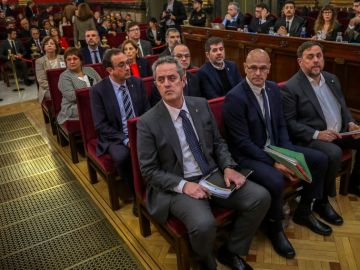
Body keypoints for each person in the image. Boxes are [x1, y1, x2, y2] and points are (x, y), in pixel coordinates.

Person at [137, 56, 270, 270]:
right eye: (160, 80)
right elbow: (149, 171)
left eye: (172, 78)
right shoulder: (147, 122)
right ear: (155, 85)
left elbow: (218, 142)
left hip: (211, 173)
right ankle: (205, 260)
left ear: (183, 80)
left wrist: (228, 166)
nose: (167, 83)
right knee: (204, 224)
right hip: (177, 185)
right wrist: (184, 186)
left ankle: (231, 251)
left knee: (260, 197)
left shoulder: (200, 105)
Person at [223, 49, 332, 259]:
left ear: (269, 69)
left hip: (275, 147)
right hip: (249, 156)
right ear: (245, 68)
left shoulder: (273, 89)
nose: (258, 72)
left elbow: (281, 124)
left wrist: (288, 153)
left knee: (320, 159)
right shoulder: (234, 98)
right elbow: (242, 143)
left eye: (263, 68)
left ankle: (304, 211)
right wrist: (275, 163)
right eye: (253, 67)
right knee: (274, 179)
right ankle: (275, 228)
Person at [281, 41, 360, 197]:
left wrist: (351, 123)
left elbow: (343, 107)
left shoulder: (332, 79)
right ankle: (323, 197)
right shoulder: (291, 87)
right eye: (310, 57)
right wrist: (318, 134)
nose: (316, 60)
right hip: (314, 137)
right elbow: (290, 123)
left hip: (340, 133)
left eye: (319, 56)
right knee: (334, 153)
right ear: (300, 61)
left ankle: (354, 183)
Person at [90, 48, 150, 215]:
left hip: (140, 131)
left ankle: (156, 190)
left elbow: (146, 111)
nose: (128, 67)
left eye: (128, 63)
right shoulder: (98, 91)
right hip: (115, 136)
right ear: (110, 70)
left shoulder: (136, 83)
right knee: (123, 156)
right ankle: (137, 196)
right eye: (122, 65)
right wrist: (126, 139)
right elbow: (101, 125)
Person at [57, 47, 101, 125]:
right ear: (66, 62)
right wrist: (95, 95)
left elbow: (102, 86)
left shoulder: (90, 70)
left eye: (75, 58)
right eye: (69, 59)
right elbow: (71, 96)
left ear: (81, 60)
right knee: (96, 107)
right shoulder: (64, 76)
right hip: (73, 107)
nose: (72, 62)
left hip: (94, 102)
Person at [35, 36, 65, 102]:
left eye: (52, 43)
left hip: (64, 86)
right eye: (46, 44)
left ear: (56, 47)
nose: (49, 45)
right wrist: (56, 88)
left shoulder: (63, 58)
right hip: (47, 89)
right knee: (56, 95)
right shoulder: (39, 61)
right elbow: (42, 81)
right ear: (44, 48)